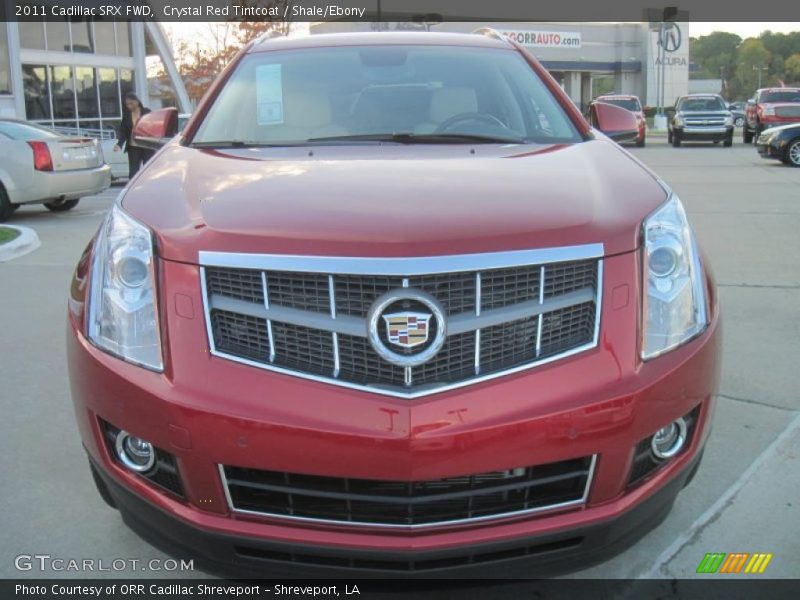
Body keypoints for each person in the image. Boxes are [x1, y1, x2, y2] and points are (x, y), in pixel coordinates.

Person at [114, 92, 154, 178]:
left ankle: (149, 187)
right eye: (127, 104)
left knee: (149, 169)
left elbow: (153, 127)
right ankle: (133, 189)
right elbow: (123, 131)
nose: (129, 106)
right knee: (133, 172)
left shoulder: (147, 112)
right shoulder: (127, 115)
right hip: (133, 147)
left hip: (147, 146)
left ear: (137, 101)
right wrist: (119, 144)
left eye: (131, 103)